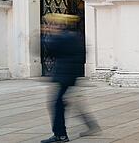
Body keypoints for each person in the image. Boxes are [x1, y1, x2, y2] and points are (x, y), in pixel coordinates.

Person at [41, 14, 99, 143]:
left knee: (57, 104)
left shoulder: (63, 37)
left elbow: (50, 51)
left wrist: (43, 37)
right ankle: (91, 126)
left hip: (64, 76)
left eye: (53, 24)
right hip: (71, 75)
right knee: (69, 102)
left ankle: (60, 135)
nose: (51, 27)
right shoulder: (76, 36)